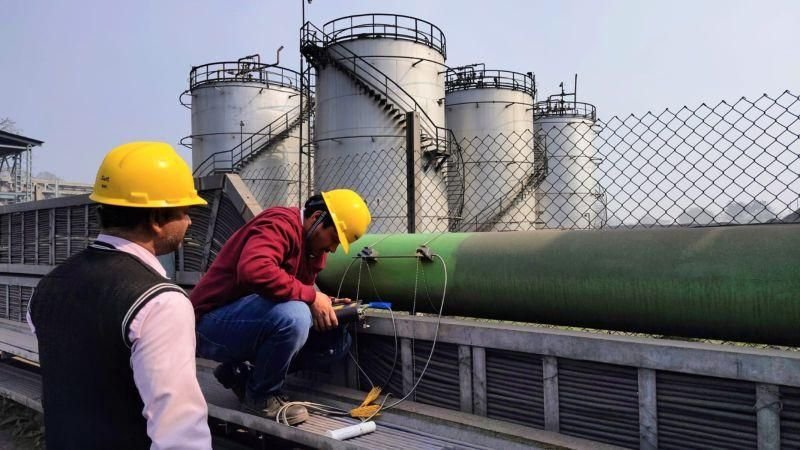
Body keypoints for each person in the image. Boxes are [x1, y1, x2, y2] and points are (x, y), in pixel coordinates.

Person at [28, 142, 212, 449]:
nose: (190, 222)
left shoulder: (48, 285)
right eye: (185, 211)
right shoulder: (159, 301)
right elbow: (179, 431)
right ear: (156, 219)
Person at [190, 189, 371, 425]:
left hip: (247, 325)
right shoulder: (279, 223)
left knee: (335, 339)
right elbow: (254, 270)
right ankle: (260, 397)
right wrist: (311, 297)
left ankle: (242, 375)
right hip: (208, 324)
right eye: (334, 238)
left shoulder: (315, 250)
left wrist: (325, 303)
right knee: (294, 316)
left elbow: (293, 290)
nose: (334, 248)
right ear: (316, 218)